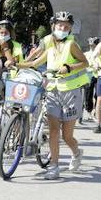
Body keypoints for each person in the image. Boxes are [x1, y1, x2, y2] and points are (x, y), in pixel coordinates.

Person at [19, 11, 87, 179]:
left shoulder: (72, 45)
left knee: (67, 135)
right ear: (53, 26)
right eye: (59, 26)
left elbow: (85, 63)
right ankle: (54, 166)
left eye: (65, 27)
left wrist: (69, 68)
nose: (62, 29)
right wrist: (15, 64)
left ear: (70, 29)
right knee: (54, 131)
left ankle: (77, 153)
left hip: (70, 92)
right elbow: (35, 62)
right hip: (52, 90)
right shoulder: (49, 42)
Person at [82, 37, 100, 122]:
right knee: (88, 94)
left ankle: (96, 111)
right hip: (88, 75)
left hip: (98, 75)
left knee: (98, 94)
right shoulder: (86, 54)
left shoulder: (100, 54)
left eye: (93, 45)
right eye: (91, 45)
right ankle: (89, 111)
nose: (92, 47)